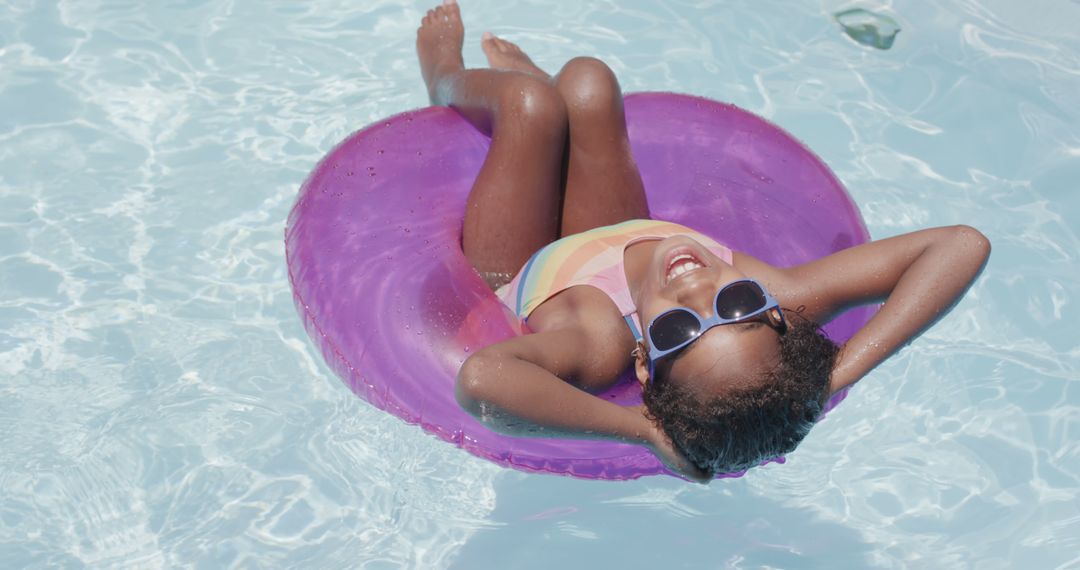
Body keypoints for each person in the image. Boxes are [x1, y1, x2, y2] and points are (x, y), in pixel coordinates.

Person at [416, 0, 990, 481]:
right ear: (776, 317)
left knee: (528, 106)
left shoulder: (597, 346)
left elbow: (482, 381)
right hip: (616, 235)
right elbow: (962, 245)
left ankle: (444, 75)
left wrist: (642, 431)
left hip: (523, 267)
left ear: (645, 363)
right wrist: (834, 375)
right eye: (736, 307)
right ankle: (562, 119)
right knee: (590, 83)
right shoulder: (778, 291)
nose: (695, 288)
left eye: (676, 330)